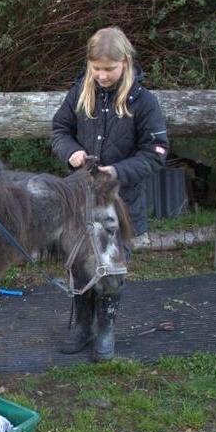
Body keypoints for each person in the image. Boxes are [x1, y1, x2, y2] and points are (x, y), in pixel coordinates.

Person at [51, 26, 169, 361]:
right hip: (79, 201)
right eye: (96, 68)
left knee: (111, 271)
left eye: (109, 69)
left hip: (121, 204)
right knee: (79, 266)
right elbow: (60, 130)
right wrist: (71, 152)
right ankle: (81, 327)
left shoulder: (145, 102)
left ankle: (105, 330)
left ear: (125, 62)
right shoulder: (79, 92)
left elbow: (157, 152)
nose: (102, 76)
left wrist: (117, 171)